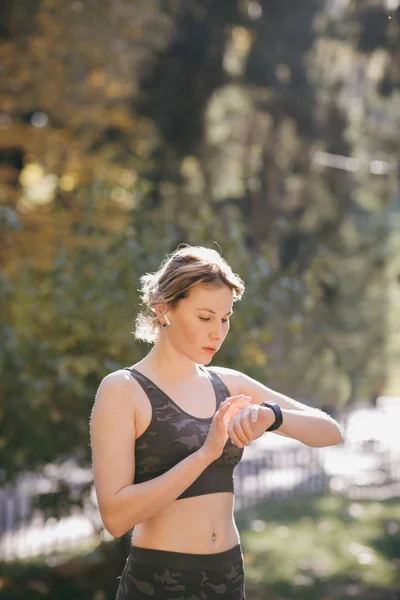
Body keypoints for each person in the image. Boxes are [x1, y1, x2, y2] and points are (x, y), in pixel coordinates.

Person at [90, 245, 343, 599]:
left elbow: (330, 432)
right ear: (164, 309)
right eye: (205, 317)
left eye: (225, 319)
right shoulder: (123, 389)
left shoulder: (228, 384)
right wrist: (206, 453)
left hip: (228, 576)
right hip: (159, 581)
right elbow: (115, 518)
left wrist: (272, 416)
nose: (218, 332)